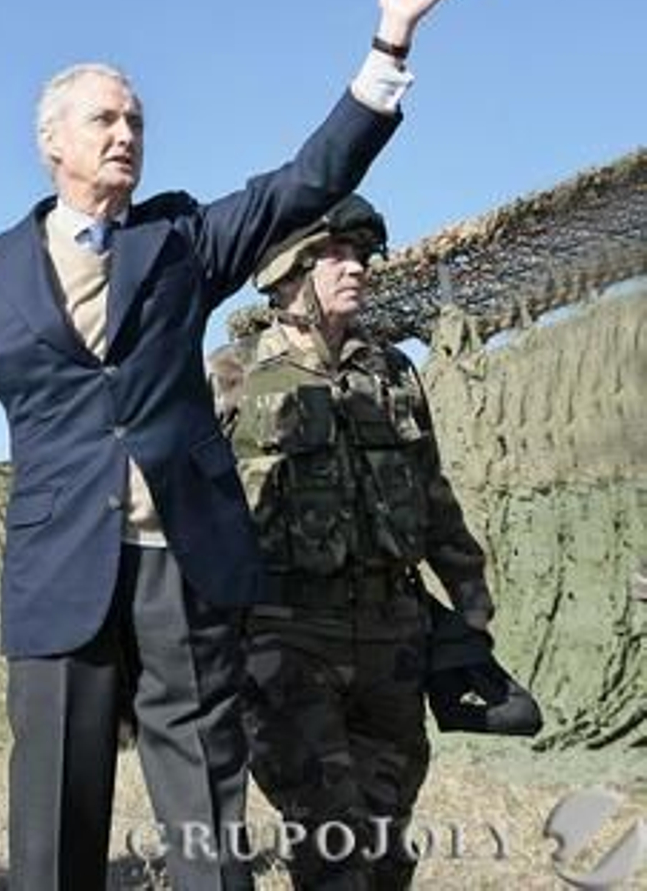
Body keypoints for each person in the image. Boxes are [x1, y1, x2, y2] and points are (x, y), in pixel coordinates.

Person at [0, 0, 477, 890]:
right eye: (104, 119)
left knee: (209, 818)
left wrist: (388, 46)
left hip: (188, 562)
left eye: (135, 119)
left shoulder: (182, 240)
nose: (125, 132)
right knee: (53, 824)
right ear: (53, 141)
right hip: (58, 573)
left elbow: (308, 179)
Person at [207, 195, 495, 888]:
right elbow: (192, 511)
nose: (357, 268)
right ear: (286, 273)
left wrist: (469, 596)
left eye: (361, 255)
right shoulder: (231, 374)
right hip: (286, 638)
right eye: (335, 254)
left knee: (387, 844)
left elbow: (431, 490)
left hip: (393, 636)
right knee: (332, 842)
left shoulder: (392, 371)